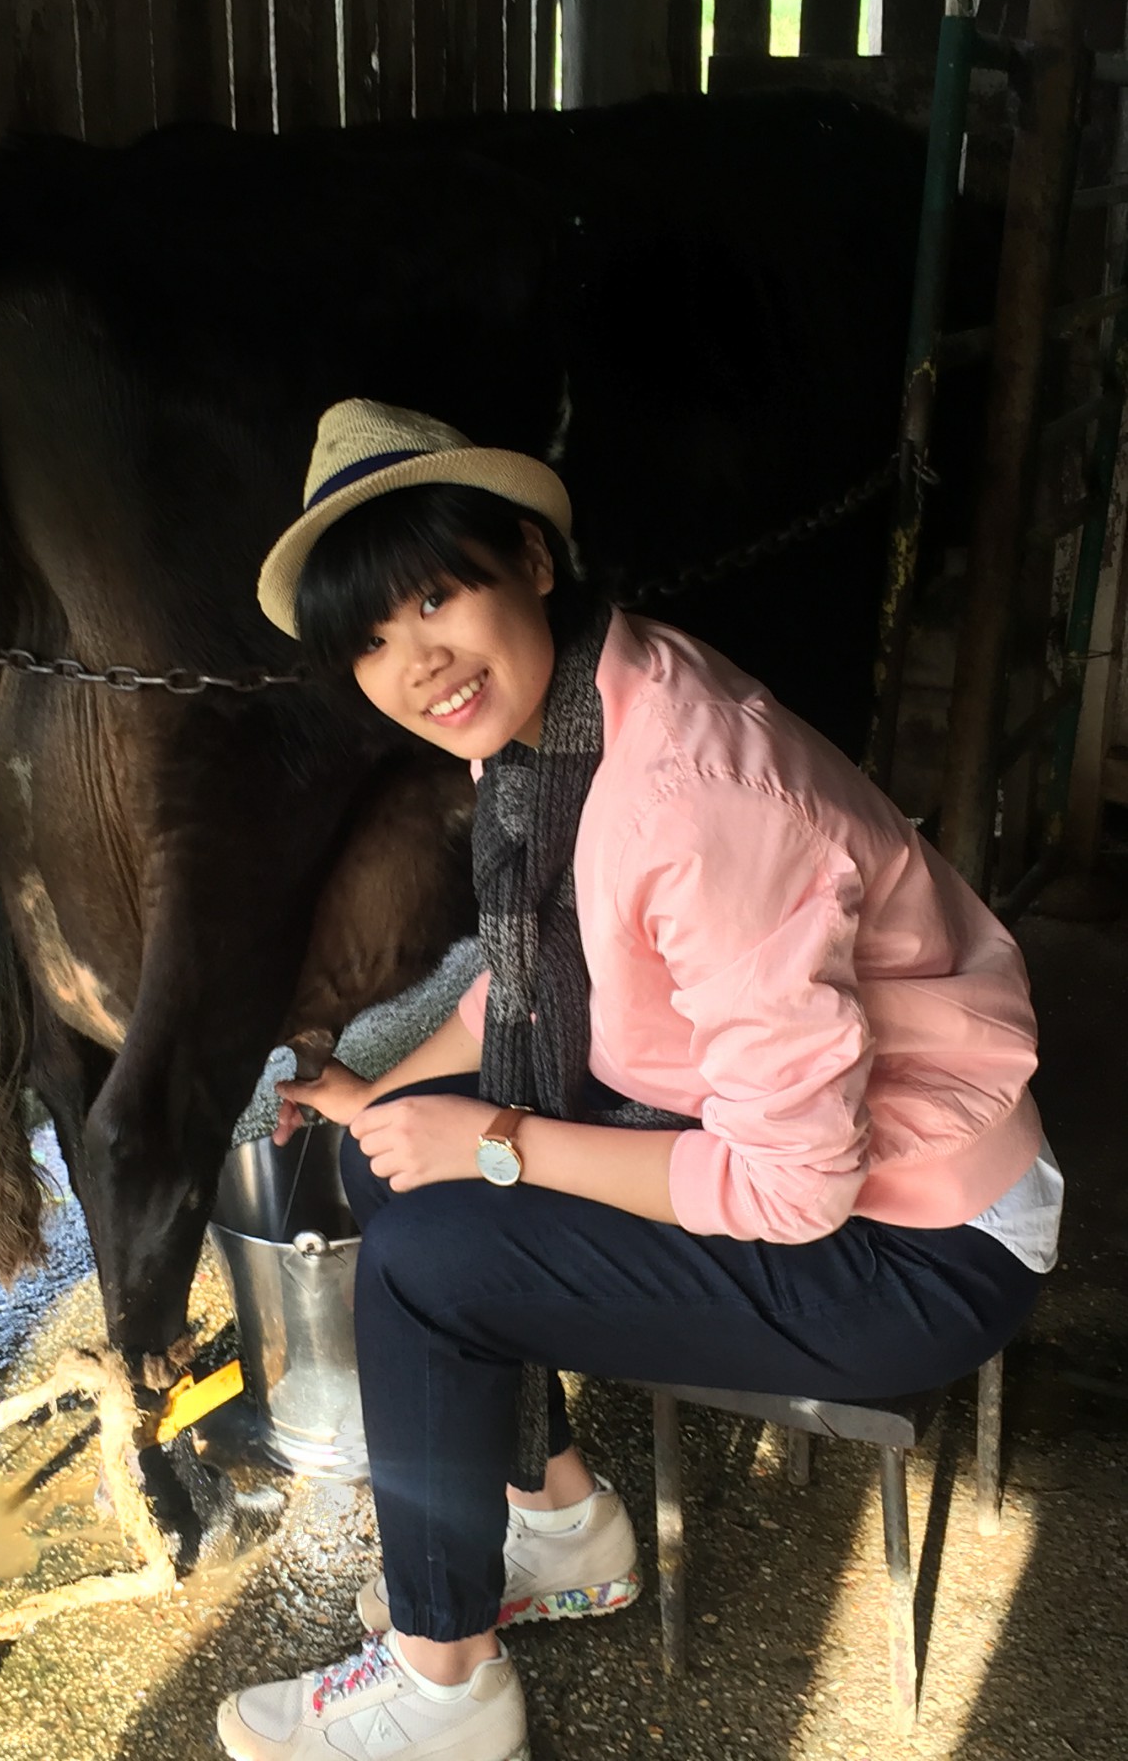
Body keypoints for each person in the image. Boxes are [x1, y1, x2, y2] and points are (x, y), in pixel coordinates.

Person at [214, 399, 1062, 1761]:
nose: (418, 664)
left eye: (436, 597)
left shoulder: (685, 795)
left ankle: (443, 1689)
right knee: (397, 1170)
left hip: (920, 1245)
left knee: (425, 1255)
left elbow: (792, 1190)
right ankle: (557, 1520)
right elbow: (538, 977)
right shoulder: (568, 722)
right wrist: (381, 1093)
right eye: (369, 640)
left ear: (531, 561)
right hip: (835, 1165)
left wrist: (492, 1138)